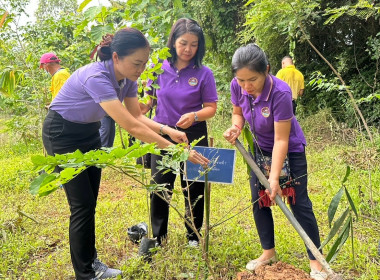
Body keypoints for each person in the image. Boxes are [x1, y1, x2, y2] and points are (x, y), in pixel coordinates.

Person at [42, 28, 208, 280]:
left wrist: (167, 131)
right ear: (116, 57)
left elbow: (137, 115)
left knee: (90, 203)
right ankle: (85, 273)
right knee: (81, 205)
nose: (141, 69)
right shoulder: (96, 76)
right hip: (61, 133)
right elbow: (129, 126)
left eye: (144, 63)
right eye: (137, 63)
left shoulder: (127, 78)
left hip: (89, 132)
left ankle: (91, 262)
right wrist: (177, 150)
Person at [223, 44, 327, 280]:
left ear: (267, 71)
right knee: (259, 201)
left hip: (290, 150)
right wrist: (236, 127)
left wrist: (273, 178)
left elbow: (281, 139)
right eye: (241, 80)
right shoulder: (237, 86)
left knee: (299, 203)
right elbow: (238, 113)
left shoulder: (280, 93)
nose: (246, 86)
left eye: (252, 79)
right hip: (259, 149)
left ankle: (316, 262)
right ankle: (268, 252)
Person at [140, 18, 218, 247]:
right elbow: (146, 105)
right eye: (183, 43)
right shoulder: (157, 67)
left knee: (193, 186)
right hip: (161, 134)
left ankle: (193, 236)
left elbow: (211, 108)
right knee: (160, 185)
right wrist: (136, 105)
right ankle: (159, 236)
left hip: (193, 134)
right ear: (173, 41)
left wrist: (194, 115)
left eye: (194, 44)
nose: (188, 50)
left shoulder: (204, 73)